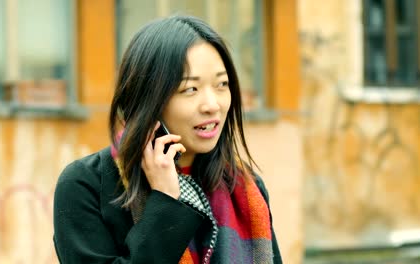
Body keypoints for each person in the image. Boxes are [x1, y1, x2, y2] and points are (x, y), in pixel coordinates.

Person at [53, 15, 283, 264]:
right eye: (190, 89)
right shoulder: (87, 184)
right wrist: (164, 202)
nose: (212, 105)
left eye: (222, 84)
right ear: (148, 99)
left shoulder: (245, 189)